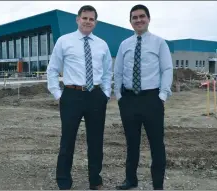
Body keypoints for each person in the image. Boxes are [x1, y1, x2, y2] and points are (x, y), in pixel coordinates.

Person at [46, 5, 113, 190]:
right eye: (85, 18)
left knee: (96, 140)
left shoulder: (102, 45)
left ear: (95, 22)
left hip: (96, 96)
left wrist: (105, 94)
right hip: (71, 95)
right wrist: (58, 94)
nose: (87, 22)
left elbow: (108, 72)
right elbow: (52, 70)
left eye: (91, 19)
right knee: (67, 140)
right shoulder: (64, 41)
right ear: (77, 19)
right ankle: (64, 181)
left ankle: (95, 180)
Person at [113, 4, 173, 190]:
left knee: (157, 144)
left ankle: (157, 185)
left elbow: (167, 69)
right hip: (129, 100)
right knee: (132, 143)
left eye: (142, 16)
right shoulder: (124, 45)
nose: (138, 20)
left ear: (148, 19)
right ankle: (130, 180)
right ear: (130, 21)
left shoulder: (159, 43)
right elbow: (118, 72)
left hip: (152, 99)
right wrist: (119, 96)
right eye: (134, 17)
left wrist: (162, 96)